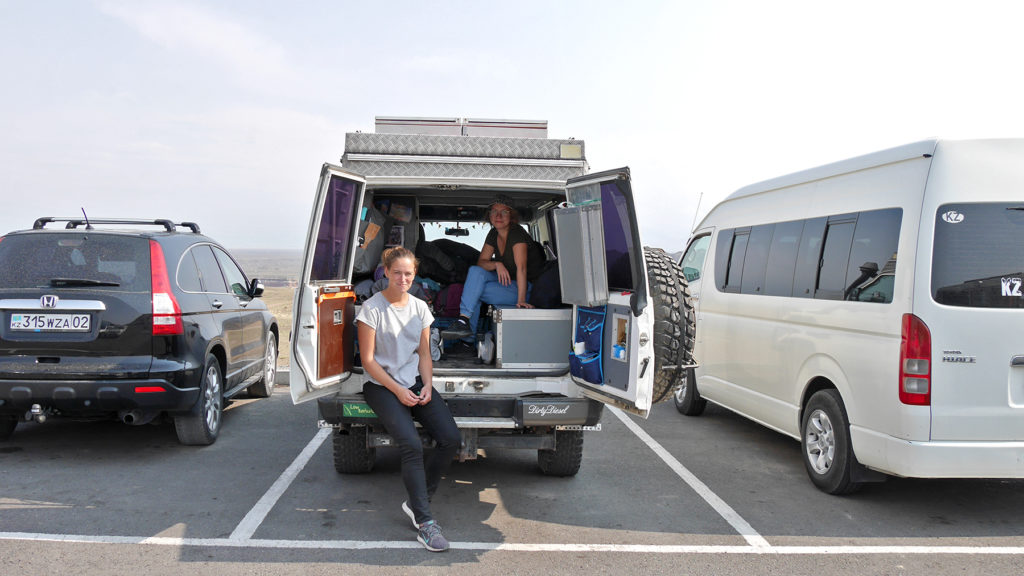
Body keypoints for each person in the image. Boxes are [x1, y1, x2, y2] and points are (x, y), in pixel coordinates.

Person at [355, 246, 461, 552]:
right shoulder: (371, 310)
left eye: (409, 273)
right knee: (412, 445)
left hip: (414, 381)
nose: (403, 278)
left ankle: (417, 502)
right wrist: (397, 390)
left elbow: (424, 354)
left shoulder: (420, 308)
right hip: (381, 385)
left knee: (450, 439)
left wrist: (427, 384)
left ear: (415, 275)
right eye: (397, 272)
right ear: (386, 272)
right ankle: (426, 523)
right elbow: (369, 361)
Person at [441, 195, 545, 341]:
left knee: (475, 290)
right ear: (489, 215)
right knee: (475, 272)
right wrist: (497, 264)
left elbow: (521, 269)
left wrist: (521, 301)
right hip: (509, 283)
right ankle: (463, 321)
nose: (498, 216)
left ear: (512, 215)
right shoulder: (493, 233)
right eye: (494, 211)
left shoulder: (517, 233)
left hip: (526, 288)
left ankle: (467, 338)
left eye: (504, 212)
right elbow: (481, 262)